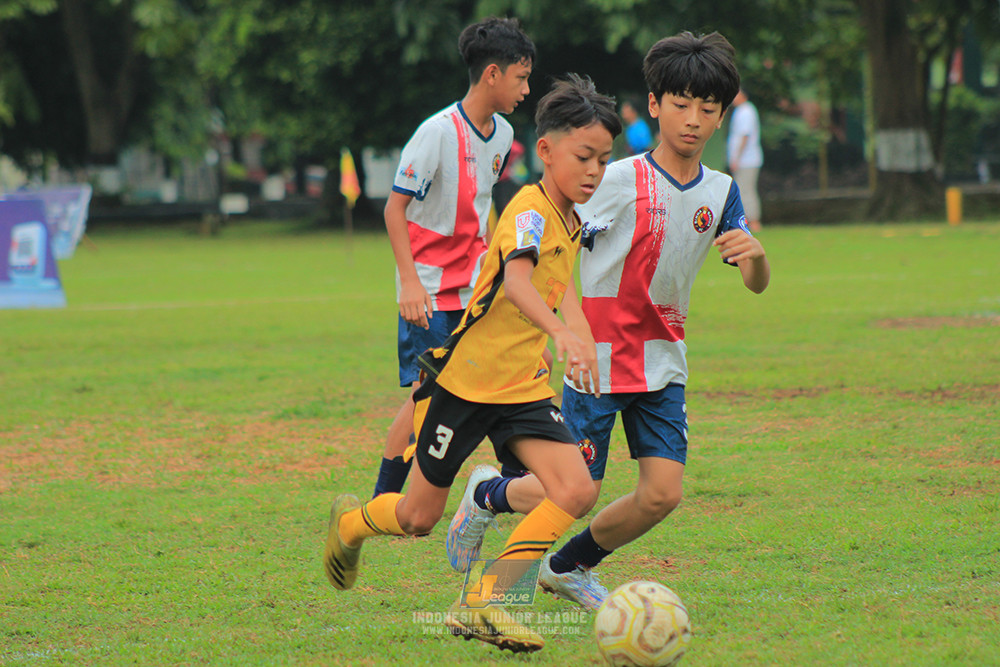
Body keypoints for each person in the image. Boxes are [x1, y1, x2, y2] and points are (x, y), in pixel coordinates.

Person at [446, 31, 770, 611]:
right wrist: (559, 332)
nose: (692, 120)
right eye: (680, 105)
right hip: (598, 361)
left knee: (661, 495)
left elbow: (754, 281)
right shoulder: (614, 178)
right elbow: (556, 246)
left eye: (707, 109)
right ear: (654, 105)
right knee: (577, 490)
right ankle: (488, 495)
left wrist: (758, 260)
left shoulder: (721, 192)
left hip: (664, 361)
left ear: (722, 116)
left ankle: (567, 568)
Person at [323, 75, 623, 653]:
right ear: (546, 151)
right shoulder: (529, 213)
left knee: (576, 488)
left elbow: (565, 295)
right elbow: (516, 284)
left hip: (522, 390)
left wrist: (581, 342)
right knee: (416, 517)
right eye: (583, 156)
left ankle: (487, 599)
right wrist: (560, 331)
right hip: (464, 386)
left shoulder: (572, 219)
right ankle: (350, 524)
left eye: (603, 160)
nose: (593, 170)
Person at [372, 17, 535, 499]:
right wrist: (409, 283)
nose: (526, 89)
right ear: (492, 74)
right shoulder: (436, 133)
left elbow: (485, 205)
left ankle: (508, 484)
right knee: (429, 398)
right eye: (521, 77)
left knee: (495, 378)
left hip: (475, 287)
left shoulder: (503, 135)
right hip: (429, 287)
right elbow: (394, 208)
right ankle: (386, 498)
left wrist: (501, 266)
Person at [727, 88, 763, 231]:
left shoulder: (746, 111)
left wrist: (737, 158)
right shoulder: (741, 111)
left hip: (747, 160)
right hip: (744, 160)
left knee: (746, 190)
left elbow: (745, 136)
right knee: (742, 189)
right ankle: (746, 221)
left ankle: (754, 221)